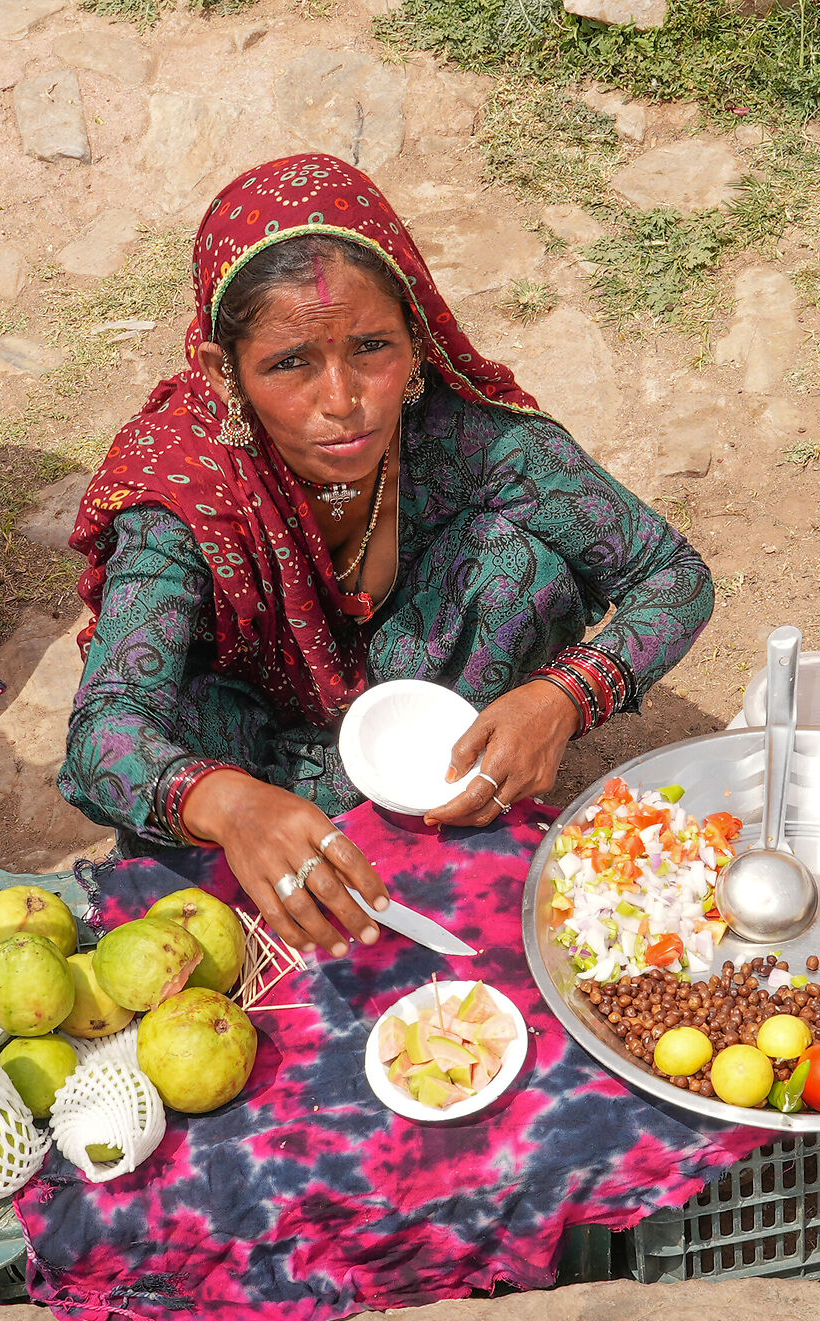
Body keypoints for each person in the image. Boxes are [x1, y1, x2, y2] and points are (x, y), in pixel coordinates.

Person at [60, 154, 714, 954]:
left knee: (520, 565)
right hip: (248, 743)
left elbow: (671, 575)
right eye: (289, 363)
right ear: (221, 370)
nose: (341, 402)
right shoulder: (184, 490)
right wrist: (230, 806)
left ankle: (421, 815)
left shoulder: (464, 435)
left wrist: (563, 700)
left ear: (416, 335)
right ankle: (299, 845)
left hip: (415, 728)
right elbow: (104, 735)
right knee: (177, 782)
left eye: (371, 347)